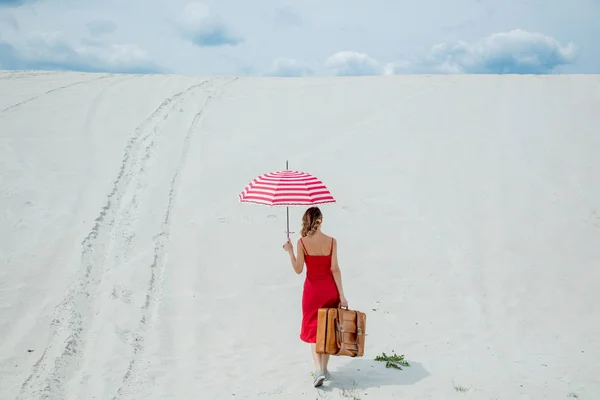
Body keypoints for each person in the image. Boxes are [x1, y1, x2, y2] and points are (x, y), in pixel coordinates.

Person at [283, 206, 348, 387]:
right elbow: (335, 269)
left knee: (314, 331)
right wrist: (342, 295)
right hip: (329, 290)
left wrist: (289, 251)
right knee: (327, 329)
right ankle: (324, 370)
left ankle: (319, 369)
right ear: (320, 220)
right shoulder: (332, 241)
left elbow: (298, 270)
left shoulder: (301, 242)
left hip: (312, 292)